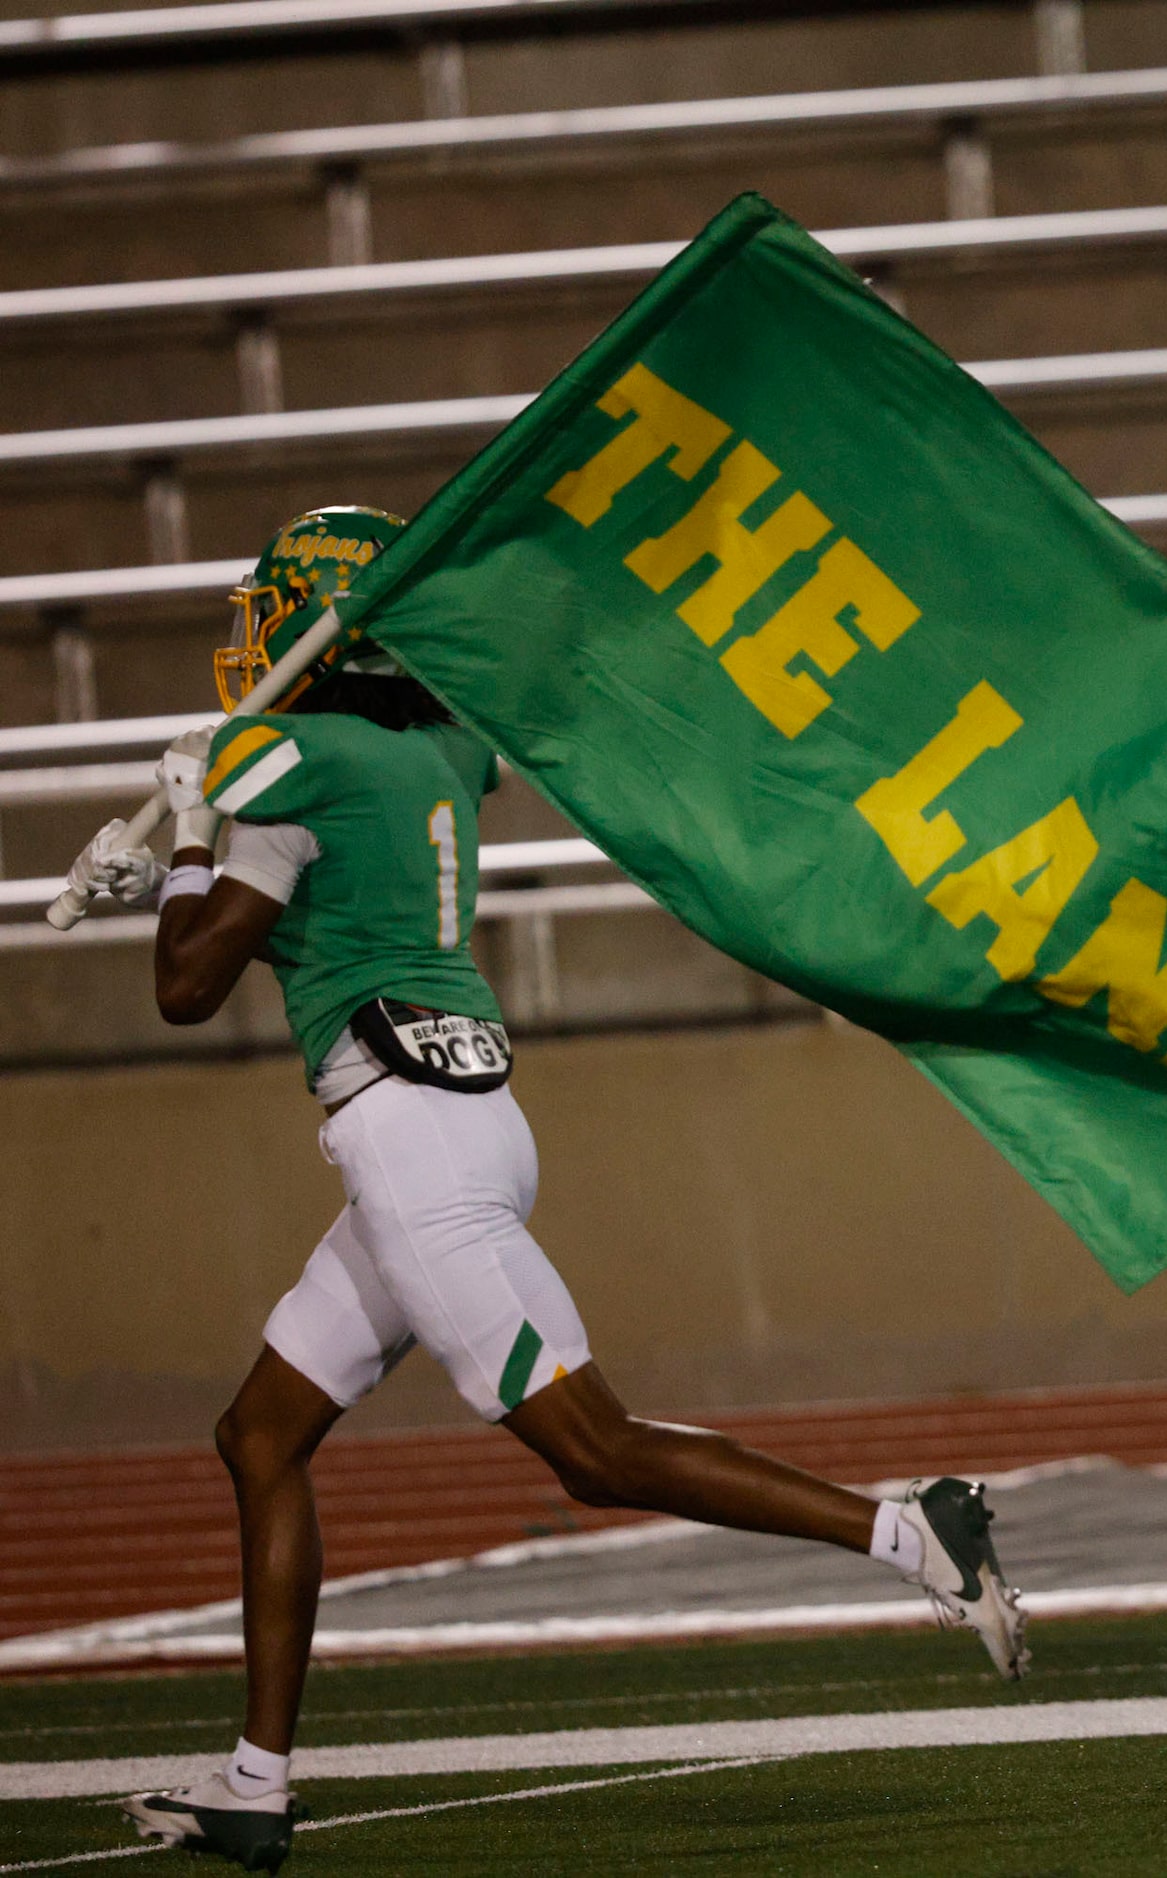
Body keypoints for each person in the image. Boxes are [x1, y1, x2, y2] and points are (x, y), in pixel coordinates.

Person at [70, 509, 1030, 1870]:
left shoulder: (285, 759)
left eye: (271, 612)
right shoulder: (435, 745)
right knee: (261, 1435)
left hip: (412, 1143)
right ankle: (254, 1784)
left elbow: (187, 986)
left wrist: (184, 839)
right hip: (463, 1118)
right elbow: (334, 912)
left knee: (594, 1448)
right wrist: (193, 845)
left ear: (313, 620)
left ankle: (907, 1528)